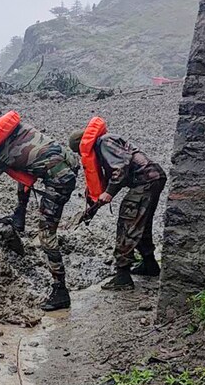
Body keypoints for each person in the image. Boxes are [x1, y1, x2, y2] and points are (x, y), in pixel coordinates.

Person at [0, 111, 80, 311]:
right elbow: (24, 175)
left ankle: (60, 291)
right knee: (23, 177)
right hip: (71, 166)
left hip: (59, 182)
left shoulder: (0, 154)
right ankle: (19, 217)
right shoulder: (23, 130)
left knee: (46, 235)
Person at [69, 116, 167, 291]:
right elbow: (115, 172)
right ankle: (150, 264)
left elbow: (120, 167)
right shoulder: (105, 143)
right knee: (140, 223)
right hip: (152, 178)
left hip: (145, 181)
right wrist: (93, 206)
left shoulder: (104, 143)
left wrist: (109, 192)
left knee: (127, 221)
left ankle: (122, 276)